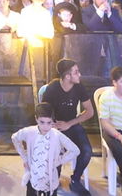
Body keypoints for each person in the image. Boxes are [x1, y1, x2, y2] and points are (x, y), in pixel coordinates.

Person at [41, 58, 94, 195]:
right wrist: (51, 125)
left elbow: (90, 111)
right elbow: (43, 112)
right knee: (56, 152)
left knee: (87, 151)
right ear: (67, 76)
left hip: (72, 124)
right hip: (56, 126)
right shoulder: (52, 88)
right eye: (76, 72)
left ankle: (75, 180)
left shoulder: (79, 87)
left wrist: (69, 124)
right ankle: (54, 179)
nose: (79, 74)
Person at [13, 103, 81, 196]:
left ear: (52, 120)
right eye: (42, 122)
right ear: (36, 119)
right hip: (33, 177)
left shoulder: (56, 134)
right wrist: (25, 158)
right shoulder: (29, 131)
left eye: (49, 122)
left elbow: (75, 150)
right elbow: (15, 138)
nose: (45, 126)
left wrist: (59, 161)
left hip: (50, 178)